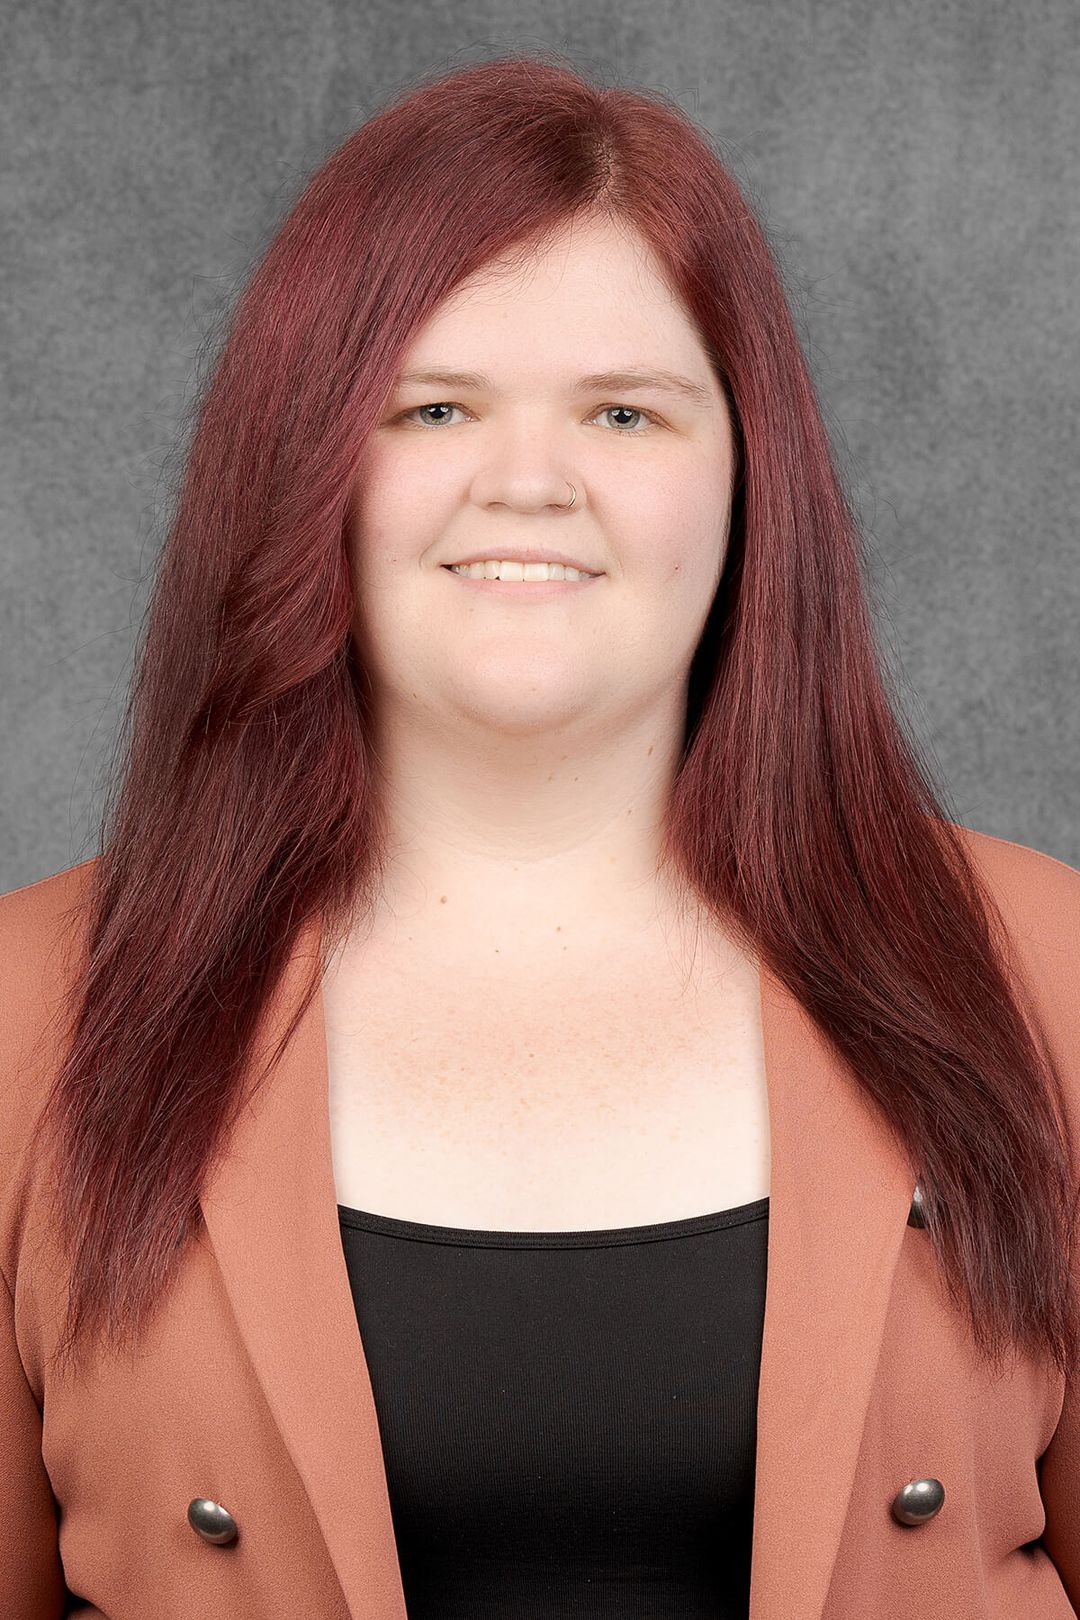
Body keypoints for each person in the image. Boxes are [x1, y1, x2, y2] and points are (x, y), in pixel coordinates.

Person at [1, 52, 1078, 1620]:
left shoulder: (1043, 973)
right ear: (306, 471)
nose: (528, 483)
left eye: (625, 413)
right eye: (433, 406)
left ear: (748, 482)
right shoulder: (33, 1013)